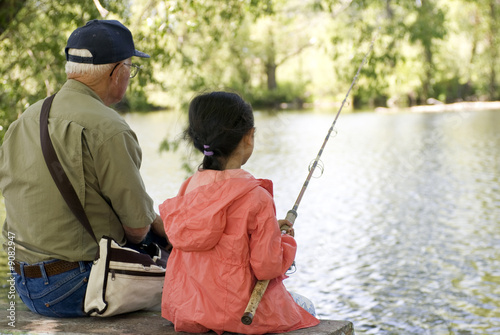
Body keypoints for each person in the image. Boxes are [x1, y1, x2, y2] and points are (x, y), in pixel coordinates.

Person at [0, 19, 167, 317]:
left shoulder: (24, 119)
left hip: (22, 285)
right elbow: (138, 229)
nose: (130, 75)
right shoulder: (109, 128)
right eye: (130, 67)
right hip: (75, 287)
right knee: (182, 262)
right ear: (118, 71)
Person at [159, 91, 320, 334]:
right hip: (239, 315)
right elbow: (267, 267)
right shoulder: (257, 197)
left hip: (186, 310)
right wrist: (284, 242)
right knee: (307, 306)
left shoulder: (190, 187)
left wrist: (269, 230)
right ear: (248, 136)